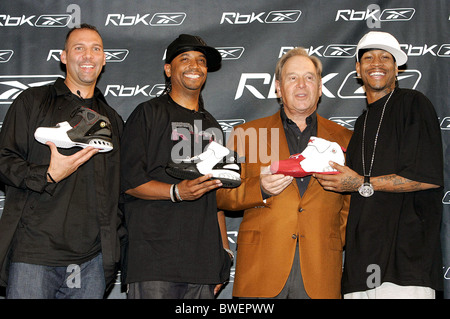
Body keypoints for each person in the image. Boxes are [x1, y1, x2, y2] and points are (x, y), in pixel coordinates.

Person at [315, 31, 444, 299]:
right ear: (358, 69)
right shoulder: (361, 123)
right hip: (360, 267)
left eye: (386, 57)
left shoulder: (413, 104)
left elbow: (426, 176)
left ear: (397, 68)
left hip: (405, 265)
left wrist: (361, 182)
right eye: (369, 57)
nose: (377, 63)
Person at [216, 47, 352, 299]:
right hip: (261, 269)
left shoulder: (345, 138)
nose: (302, 84)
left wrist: (330, 238)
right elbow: (222, 195)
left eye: (309, 77)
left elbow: (350, 204)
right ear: (278, 87)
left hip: (320, 269)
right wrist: (261, 188)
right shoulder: (246, 134)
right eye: (292, 77)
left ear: (320, 86)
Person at [0, 24, 124, 298]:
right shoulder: (33, 101)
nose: (88, 56)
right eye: (79, 48)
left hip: (92, 258)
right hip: (35, 251)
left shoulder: (113, 120)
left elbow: (120, 192)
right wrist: (47, 174)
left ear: (104, 59)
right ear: (64, 57)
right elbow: (3, 159)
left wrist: (114, 245)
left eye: (96, 49)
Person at [120, 34, 231, 299]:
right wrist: (176, 192)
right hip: (153, 262)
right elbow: (128, 181)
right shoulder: (148, 113)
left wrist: (224, 252)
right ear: (168, 69)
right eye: (185, 59)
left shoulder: (212, 125)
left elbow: (214, 196)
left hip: (202, 265)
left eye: (201, 61)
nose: (195, 66)